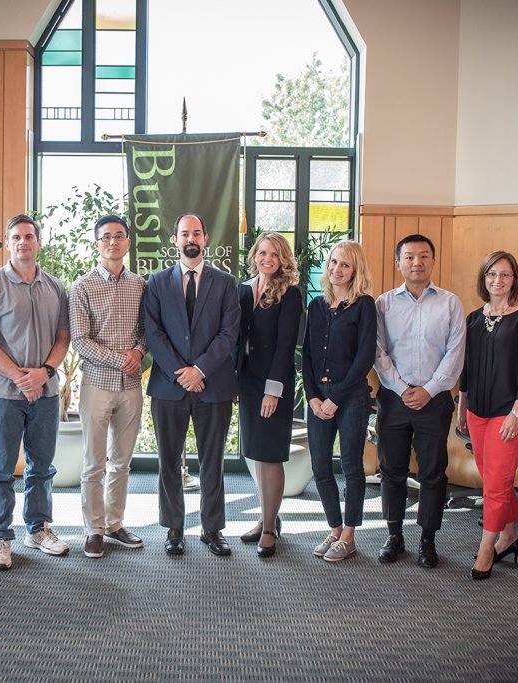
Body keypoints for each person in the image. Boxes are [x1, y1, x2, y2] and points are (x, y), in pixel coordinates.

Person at [0, 214, 71, 569]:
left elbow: (63, 337)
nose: (23, 242)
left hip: (45, 392)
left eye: (29, 236)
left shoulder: (56, 287)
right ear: (8, 242)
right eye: (16, 237)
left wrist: (43, 373)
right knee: (0, 468)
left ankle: (38, 528)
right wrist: (19, 377)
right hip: (4, 394)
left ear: (39, 243)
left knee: (42, 466)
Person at [144, 213, 240, 557]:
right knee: (168, 460)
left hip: (212, 385)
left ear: (206, 238)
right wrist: (180, 372)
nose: (191, 239)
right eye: (184, 233)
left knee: (211, 460)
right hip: (168, 387)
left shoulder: (226, 283)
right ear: (175, 240)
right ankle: (174, 529)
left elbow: (229, 334)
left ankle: (212, 530)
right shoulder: (156, 282)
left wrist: (199, 369)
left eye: (196, 233)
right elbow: (153, 334)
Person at [374, 234, 465, 568]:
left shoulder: (450, 303)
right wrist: (401, 389)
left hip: (435, 399)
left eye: (424, 256)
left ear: (433, 261)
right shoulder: (383, 303)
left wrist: (429, 389)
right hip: (394, 398)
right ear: (398, 262)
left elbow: (456, 353)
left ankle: (428, 540)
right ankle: (394, 536)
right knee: (392, 470)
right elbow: (378, 352)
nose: (417, 262)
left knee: (433, 472)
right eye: (409, 257)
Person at [457, 251, 518, 580]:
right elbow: (467, 365)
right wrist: (462, 404)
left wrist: (517, 413)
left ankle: (486, 549)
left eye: (505, 275)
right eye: (492, 274)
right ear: (484, 279)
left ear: (514, 280)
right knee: (492, 476)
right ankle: (509, 535)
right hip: (477, 410)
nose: (498, 280)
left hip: (512, 413)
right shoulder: (475, 319)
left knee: (495, 483)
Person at [69, 215, 147, 559]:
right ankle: (94, 529)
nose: (112, 242)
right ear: (97, 244)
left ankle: (115, 524)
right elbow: (79, 340)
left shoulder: (140, 285)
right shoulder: (82, 286)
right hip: (98, 385)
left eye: (119, 236)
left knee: (121, 462)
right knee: (93, 463)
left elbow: (148, 331)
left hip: (131, 386)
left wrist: (138, 352)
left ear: (128, 242)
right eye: (106, 237)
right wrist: (120, 359)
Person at [303, 240, 376, 563]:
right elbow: (305, 355)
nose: (337, 269)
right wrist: (313, 396)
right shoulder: (317, 306)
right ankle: (333, 528)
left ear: (355, 270)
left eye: (345, 264)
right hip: (318, 397)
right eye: (333, 262)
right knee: (319, 466)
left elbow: (365, 357)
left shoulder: (364, 306)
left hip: (351, 397)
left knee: (351, 466)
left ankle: (349, 534)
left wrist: (336, 399)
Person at [236, 231, 302, 558]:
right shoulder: (245, 288)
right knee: (254, 453)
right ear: (255, 255)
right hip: (248, 383)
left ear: (283, 259)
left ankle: (270, 529)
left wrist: (272, 391)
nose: (267, 258)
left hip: (272, 384)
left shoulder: (290, 293)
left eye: (274, 254)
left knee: (270, 454)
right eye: (262, 252)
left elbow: (285, 346)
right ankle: (267, 517)